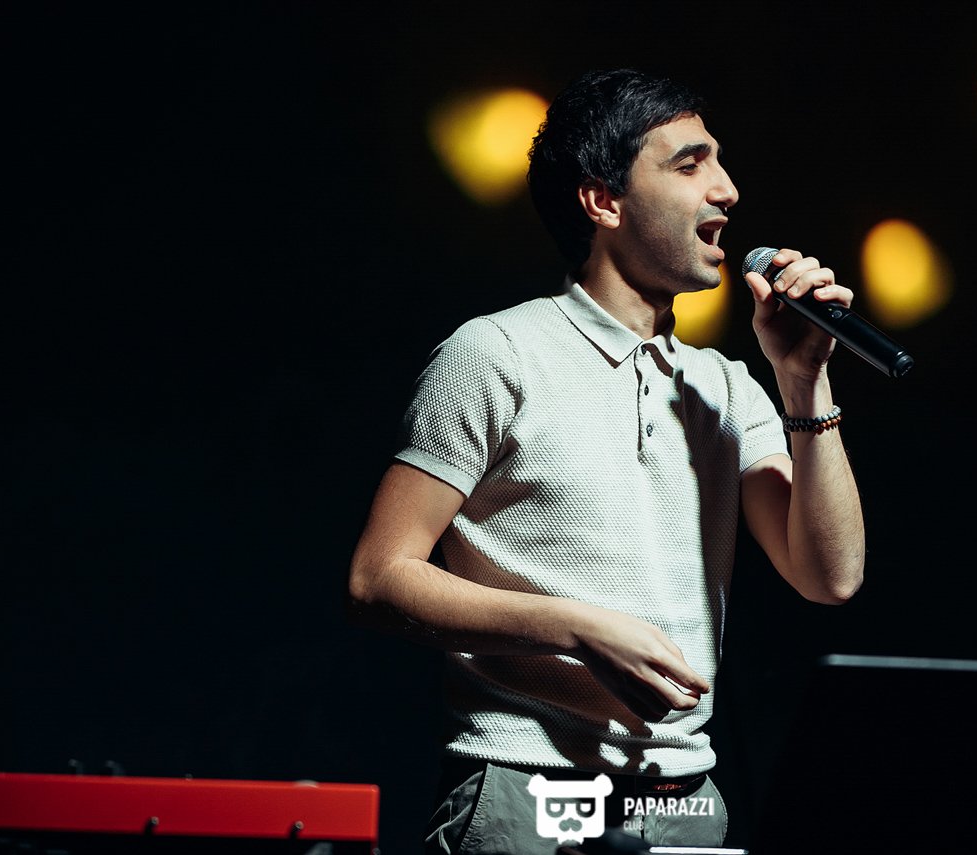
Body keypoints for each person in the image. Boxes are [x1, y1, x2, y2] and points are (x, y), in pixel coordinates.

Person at [347, 67, 865, 854]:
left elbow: (830, 575)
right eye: (690, 164)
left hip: (686, 798)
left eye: (721, 162)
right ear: (604, 201)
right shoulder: (497, 352)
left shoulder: (727, 385)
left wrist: (803, 380)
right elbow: (378, 577)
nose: (726, 189)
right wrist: (575, 627)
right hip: (527, 783)